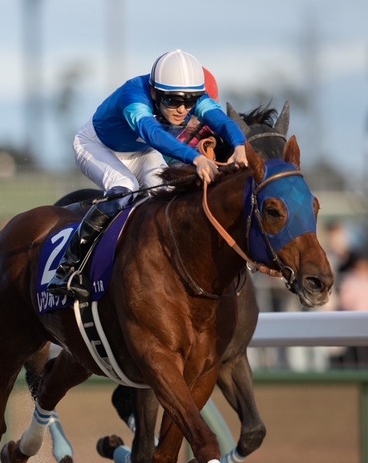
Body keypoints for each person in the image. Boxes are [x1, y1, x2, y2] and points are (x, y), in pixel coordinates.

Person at [48, 50, 249, 299]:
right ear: (154, 92)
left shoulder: (186, 99)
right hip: (95, 145)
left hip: (141, 150)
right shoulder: (134, 96)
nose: (182, 110)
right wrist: (195, 158)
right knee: (125, 188)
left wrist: (239, 145)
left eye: (189, 102)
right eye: (173, 101)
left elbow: (222, 121)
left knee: (165, 194)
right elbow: (153, 133)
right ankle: (68, 268)